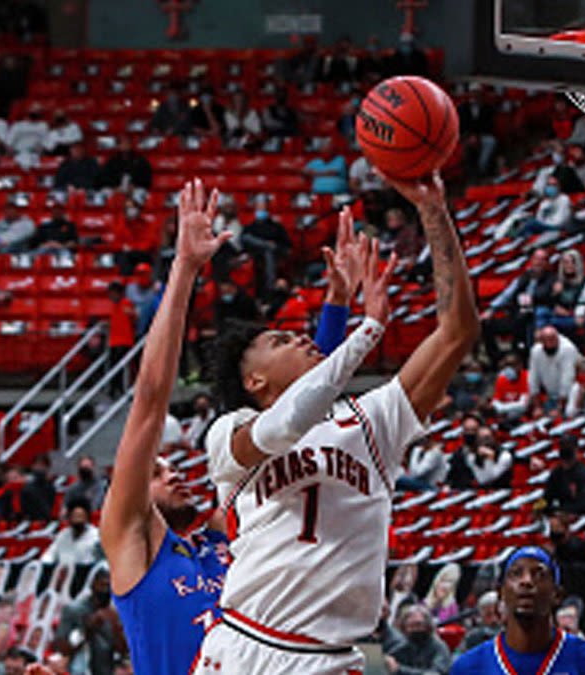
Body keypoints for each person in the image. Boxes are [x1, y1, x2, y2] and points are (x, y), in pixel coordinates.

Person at [198, 172, 478, 673]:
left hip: (330, 658)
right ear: (255, 381)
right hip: (244, 643)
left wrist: (434, 211)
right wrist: (368, 327)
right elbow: (286, 426)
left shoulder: (372, 418)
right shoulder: (229, 433)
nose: (301, 340)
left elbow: (457, 333)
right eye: (280, 341)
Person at [101, 180, 346, 675]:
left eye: (170, 468)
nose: (170, 475)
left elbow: (301, 413)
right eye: (157, 472)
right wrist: (185, 270)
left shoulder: (222, 537)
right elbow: (150, 400)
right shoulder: (134, 539)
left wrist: (337, 307)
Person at [450, 548, 585, 674]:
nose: (526, 581)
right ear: (500, 592)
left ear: (557, 595)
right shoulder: (468, 667)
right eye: (516, 573)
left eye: (539, 575)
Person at [56, 568, 126, 675]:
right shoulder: (74, 610)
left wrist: (115, 626)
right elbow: (61, 647)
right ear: (93, 584)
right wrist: (87, 630)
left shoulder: (116, 613)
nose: (106, 590)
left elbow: (123, 650)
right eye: (103, 585)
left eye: (109, 586)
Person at [529, 325, 582, 413]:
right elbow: (533, 378)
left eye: (553, 340)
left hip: (572, 396)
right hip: (552, 395)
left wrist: (559, 409)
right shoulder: (536, 351)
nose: (550, 344)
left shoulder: (568, 349)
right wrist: (537, 407)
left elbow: (567, 380)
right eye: (547, 341)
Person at [387, 604, 451, 675]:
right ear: (404, 628)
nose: (415, 629)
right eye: (411, 626)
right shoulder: (401, 646)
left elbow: (435, 673)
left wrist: (399, 669)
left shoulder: (439, 647)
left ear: (428, 626)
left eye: (418, 624)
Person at [544, 436, 585, 516]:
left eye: (569, 447)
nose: (565, 450)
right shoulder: (556, 473)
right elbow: (546, 498)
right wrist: (537, 508)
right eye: (563, 446)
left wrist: (562, 511)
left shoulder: (584, 474)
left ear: (576, 450)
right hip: (562, 515)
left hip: (582, 517)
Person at [41, 499, 101, 566]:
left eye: (80, 516)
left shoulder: (97, 536)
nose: (77, 519)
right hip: (63, 573)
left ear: (87, 517)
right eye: (75, 516)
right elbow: (48, 556)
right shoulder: (63, 535)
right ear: (69, 517)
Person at [490, 354, 530, 421]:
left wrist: (502, 408)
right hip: (504, 414)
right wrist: (500, 407)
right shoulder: (501, 379)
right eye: (507, 365)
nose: (509, 368)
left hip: (524, 413)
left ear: (520, 365)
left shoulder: (527, 376)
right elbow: (495, 401)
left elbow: (523, 405)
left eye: (513, 365)